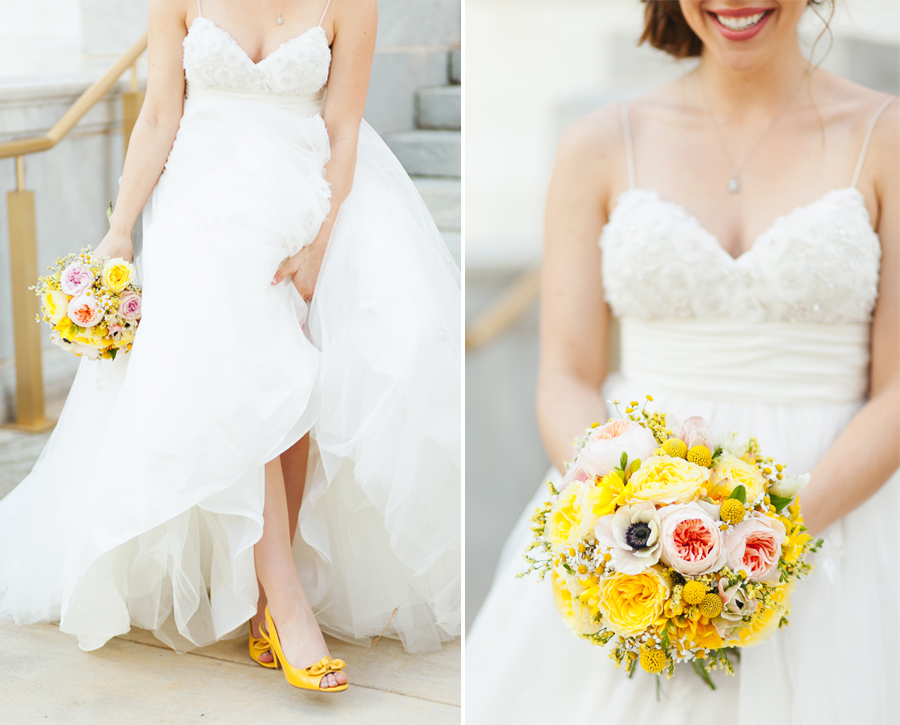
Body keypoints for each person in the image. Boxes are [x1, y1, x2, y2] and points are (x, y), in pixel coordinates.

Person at [0, 0, 461, 694]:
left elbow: (341, 129)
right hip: (203, 192)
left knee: (315, 343)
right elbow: (160, 113)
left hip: (311, 187)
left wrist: (319, 243)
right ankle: (282, 592)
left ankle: (275, 589)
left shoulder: (351, 5)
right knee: (238, 303)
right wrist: (121, 228)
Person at [467, 1, 897, 722]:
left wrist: (772, 536)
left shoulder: (886, 137)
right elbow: (567, 375)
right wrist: (623, 514)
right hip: (632, 522)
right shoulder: (599, 145)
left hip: (840, 516)